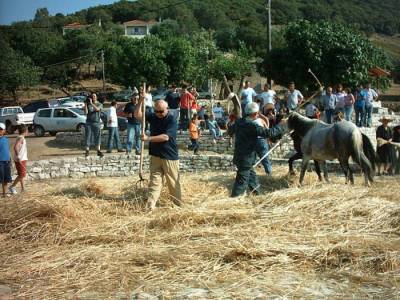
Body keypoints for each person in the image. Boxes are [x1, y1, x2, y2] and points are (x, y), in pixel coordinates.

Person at [228, 102, 285, 197]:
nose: (258, 115)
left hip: (239, 156)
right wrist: (281, 125)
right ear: (255, 114)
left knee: (252, 178)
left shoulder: (239, 122)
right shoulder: (251, 126)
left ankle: (258, 196)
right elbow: (269, 133)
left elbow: (230, 131)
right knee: (241, 183)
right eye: (257, 113)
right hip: (246, 158)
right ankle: (234, 200)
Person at [134, 97, 182, 211]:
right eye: (156, 111)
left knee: (173, 182)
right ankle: (150, 206)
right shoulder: (153, 116)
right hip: (155, 155)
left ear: (167, 109)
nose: (159, 113)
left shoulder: (172, 119)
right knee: (154, 181)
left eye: (161, 111)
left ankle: (178, 205)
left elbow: (165, 137)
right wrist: (140, 101)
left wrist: (148, 138)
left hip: (169, 156)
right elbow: (138, 115)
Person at [9, 125, 28, 194]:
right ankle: (12, 187)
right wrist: (19, 157)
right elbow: (16, 147)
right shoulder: (21, 138)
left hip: (22, 159)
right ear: (25, 131)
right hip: (20, 159)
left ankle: (23, 189)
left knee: (21, 174)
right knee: (22, 174)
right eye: (27, 130)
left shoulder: (20, 137)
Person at [84, 93, 103, 157]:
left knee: (97, 136)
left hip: (96, 122)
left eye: (94, 96)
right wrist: (86, 104)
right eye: (92, 96)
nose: (93, 97)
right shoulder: (88, 104)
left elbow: (97, 109)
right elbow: (86, 112)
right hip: (89, 122)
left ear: (96, 97)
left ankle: (98, 150)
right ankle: (87, 150)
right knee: (88, 136)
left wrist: (92, 103)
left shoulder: (99, 104)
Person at [0, 123, 12, 197]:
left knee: (6, 179)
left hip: (6, 162)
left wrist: (10, 159)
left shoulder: (6, 139)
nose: (0, 131)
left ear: (4, 130)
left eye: (1, 129)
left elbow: (7, 150)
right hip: (0, 162)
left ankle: (4, 193)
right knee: (0, 178)